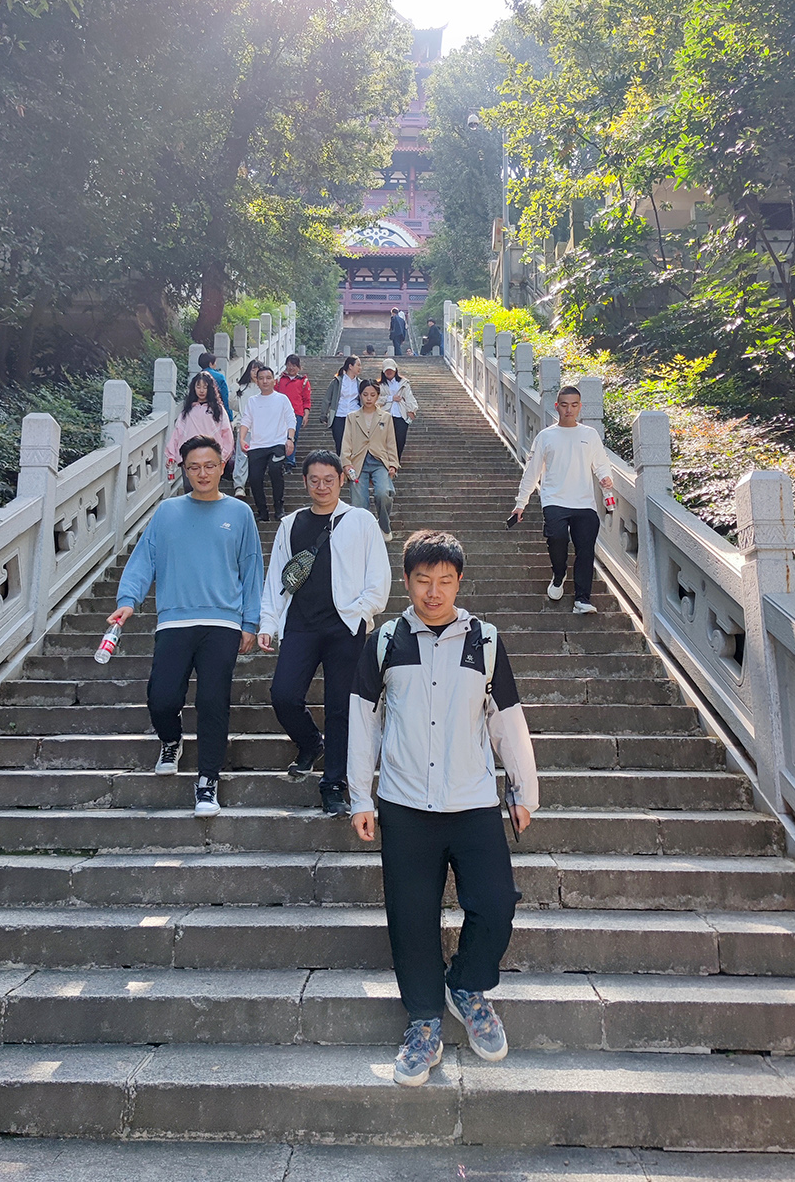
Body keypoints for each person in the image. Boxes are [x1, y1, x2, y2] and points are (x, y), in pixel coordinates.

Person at [347, 529, 539, 1086]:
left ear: (459, 582)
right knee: (411, 918)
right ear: (406, 582)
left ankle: (467, 985)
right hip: (405, 802)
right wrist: (360, 795)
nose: (434, 592)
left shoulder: (486, 640)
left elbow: (507, 720)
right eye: (423, 580)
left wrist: (523, 791)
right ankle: (424, 1021)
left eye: (445, 581)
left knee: (496, 903)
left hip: (472, 800)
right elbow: (362, 720)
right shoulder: (385, 641)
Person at [108, 435, 263, 817]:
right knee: (161, 698)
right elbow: (144, 560)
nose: (202, 473)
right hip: (174, 620)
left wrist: (250, 621)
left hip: (222, 622)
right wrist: (127, 602)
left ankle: (207, 782)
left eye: (209, 465)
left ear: (223, 466)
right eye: (194, 467)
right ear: (184, 470)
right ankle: (171, 740)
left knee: (213, 702)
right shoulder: (167, 512)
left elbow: (252, 569)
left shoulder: (240, 513)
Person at [259, 450, 391, 816]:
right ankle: (309, 742)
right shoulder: (291, 524)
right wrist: (269, 622)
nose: (322, 486)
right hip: (300, 624)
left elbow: (379, 576)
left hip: (344, 627)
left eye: (329, 480)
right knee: (283, 695)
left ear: (341, 480)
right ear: (305, 482)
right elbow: (278, 578)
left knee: (340, 707)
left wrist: (362, 613)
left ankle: (333, 784)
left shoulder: (361, 521)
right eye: (314, 480)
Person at [512, 385, 614, 614]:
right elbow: (532, 472)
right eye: (565, 405)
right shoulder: (546, 436)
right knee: (557, 539)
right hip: (554, 500)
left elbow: (601, 463)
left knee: (585, 550)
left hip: (584, 503)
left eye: (574, 405)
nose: (569, 410)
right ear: (557, 407)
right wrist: (521, 503)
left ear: (580, 407)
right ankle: (559, 575)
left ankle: (582, 599)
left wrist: (606, 478)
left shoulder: (589, 434)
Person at [341, 377, 398, 542]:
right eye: (365, 394)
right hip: (358, 462)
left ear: (378, 396)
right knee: (359, 501)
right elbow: (346, 441)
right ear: (360, 395)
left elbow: (391, 442)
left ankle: (384, 525)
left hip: (379, 461)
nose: (368, 398)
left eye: (372, 395)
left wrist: (393, 464)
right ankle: (363, 531)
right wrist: (346, 463)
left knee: (383, 493)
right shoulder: (352, 417)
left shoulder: (385, 417)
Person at [239, 365, 296, 523]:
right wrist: (242, 439)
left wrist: (290, 439)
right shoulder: (252, 401)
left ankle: (279, 508)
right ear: (257, 381)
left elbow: (291, 419)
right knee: (254, 478)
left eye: (268, 378)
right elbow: (246, 420)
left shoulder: (282, 399)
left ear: (274, 380)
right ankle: (262, 512)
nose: (265, 381)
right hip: (257, 445)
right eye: (261, 378)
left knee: (275, 470)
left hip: (277, 443)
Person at [164, 372, 234, 485]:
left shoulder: (218, 410)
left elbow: (227, 434)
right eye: (198, 387)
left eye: (205, 387)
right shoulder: (187, 411)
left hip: (211, 456)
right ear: (193, 388)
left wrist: (223, 456)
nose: (201, 391)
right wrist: (171, 455)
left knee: (209, 489)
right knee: (189, 488)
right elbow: (177, 432)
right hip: (189, 455)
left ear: (210, 389)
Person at [231, 359, 263, 499]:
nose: (255, 372)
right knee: (242, 457)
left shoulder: (265, 390)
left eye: (258, 369)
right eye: (253, 369)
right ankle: (239, 485)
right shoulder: (241, 388)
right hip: (245, 428)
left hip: (262, 429)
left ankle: (256, 482)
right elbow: (233, 403)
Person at [276, 354, 312, 470]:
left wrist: (306, 414)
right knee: (281, 436)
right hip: (280, 413)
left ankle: (290, 461)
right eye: (289, 365)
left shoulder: (303, 381)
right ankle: (281, 459)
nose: (291, 368)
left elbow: (306, 400)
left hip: (297, 413)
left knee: (293, 437)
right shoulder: (279, 380)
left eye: (294, 365)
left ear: (299, 367)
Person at [378, 360, 418, 461]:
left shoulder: (403, 383)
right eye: (387, 370)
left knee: (400, 440)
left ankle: (396, 462)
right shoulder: (379, 385)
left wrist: (412, 410)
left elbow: (409, 397)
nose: (389, 372)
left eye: (391, 370)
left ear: (395, 370)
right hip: (385, 415)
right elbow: (376, 399)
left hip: (401, 415)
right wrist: (390, 398)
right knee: (385, 441)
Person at [322, 355, 361, 455]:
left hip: (355, 416)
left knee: (354, 444)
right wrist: (323, 415)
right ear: (350, 366)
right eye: (358, 365)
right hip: (339, 415)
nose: (360, 368)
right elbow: (327, 398)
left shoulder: (360, 383)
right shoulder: (337, 382)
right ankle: (341, 463)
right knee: (340, 444)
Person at [197, 352, 233, 420]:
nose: (216, 364)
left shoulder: (197, 377)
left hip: (200, 412)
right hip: (216, 411)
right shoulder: (219, 377)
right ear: (210, 363)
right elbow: (225, 397)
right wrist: (229, 416)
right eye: (215, 362)